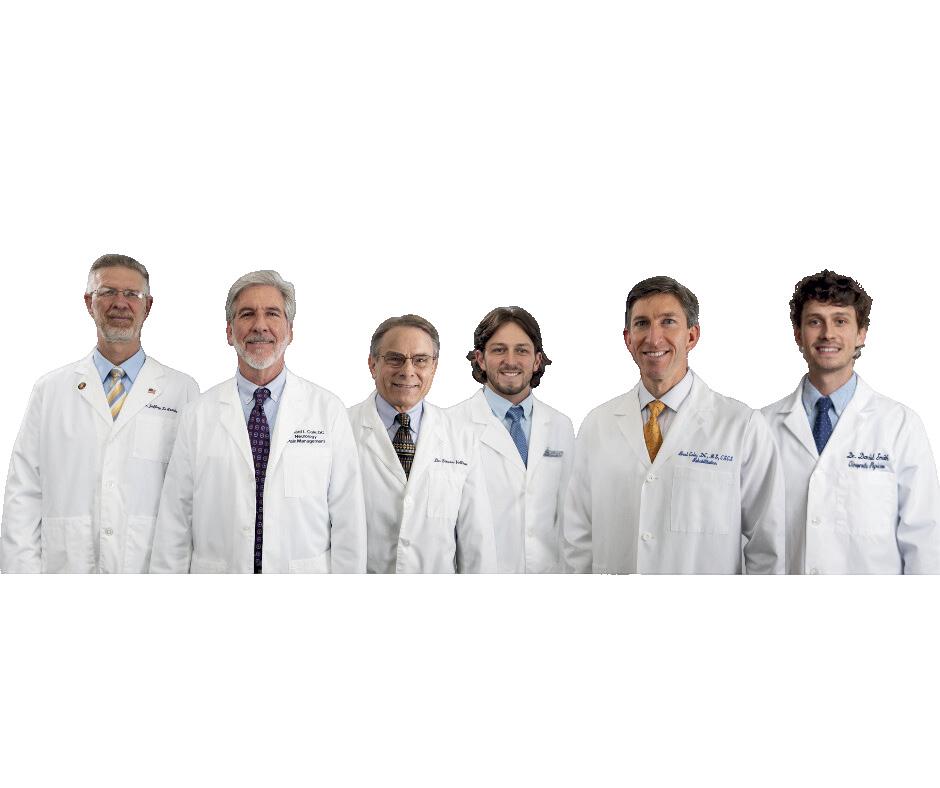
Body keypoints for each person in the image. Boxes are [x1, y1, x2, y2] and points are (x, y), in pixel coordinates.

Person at [563, 275, 784, 574]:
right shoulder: (597, 425)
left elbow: (767, 548)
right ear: (628, 339)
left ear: (692, 336)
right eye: (642, 324)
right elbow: (577, 538)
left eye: (668, 322)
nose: (654, 338)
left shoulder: (741, 426)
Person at [149, 270, 366, 573]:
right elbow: (175, 519)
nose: (260, 325)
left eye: (272, 314)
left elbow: (348, 520)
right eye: (247, 314)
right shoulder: (197, 414)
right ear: (229, 332)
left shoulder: (328, 411)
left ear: (290, 330)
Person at [1, 253, 199, 573]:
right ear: (88, 302)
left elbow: (192, 495)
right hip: (66, 570)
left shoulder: (182, 391)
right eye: (107, 292)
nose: (120, 303)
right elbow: (23, 494)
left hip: (152, 571)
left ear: (148, 306)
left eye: (132, 294)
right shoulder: (50, 390)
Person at [762, 270, 940, 574]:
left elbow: (925, 541)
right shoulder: (761, 426)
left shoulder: (900, 426)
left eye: (841, 321)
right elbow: (747, 533)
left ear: (861, 334)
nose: (828, 333)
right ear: (798, 334)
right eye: (815, 321)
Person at [347, 314, 495, 573]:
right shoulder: (342, 430)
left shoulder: (461, 436)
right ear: (372, 364)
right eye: (395, 359)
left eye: (420, 360)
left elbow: (477, 540)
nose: (408, 371)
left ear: (434, 366)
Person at [448, 306, 574, 572]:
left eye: (521, 350)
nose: (510, 360)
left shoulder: (560, 426)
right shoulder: (450, 425)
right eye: (499, 350)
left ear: (537, 360)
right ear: (480, 359)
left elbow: (570, 516)